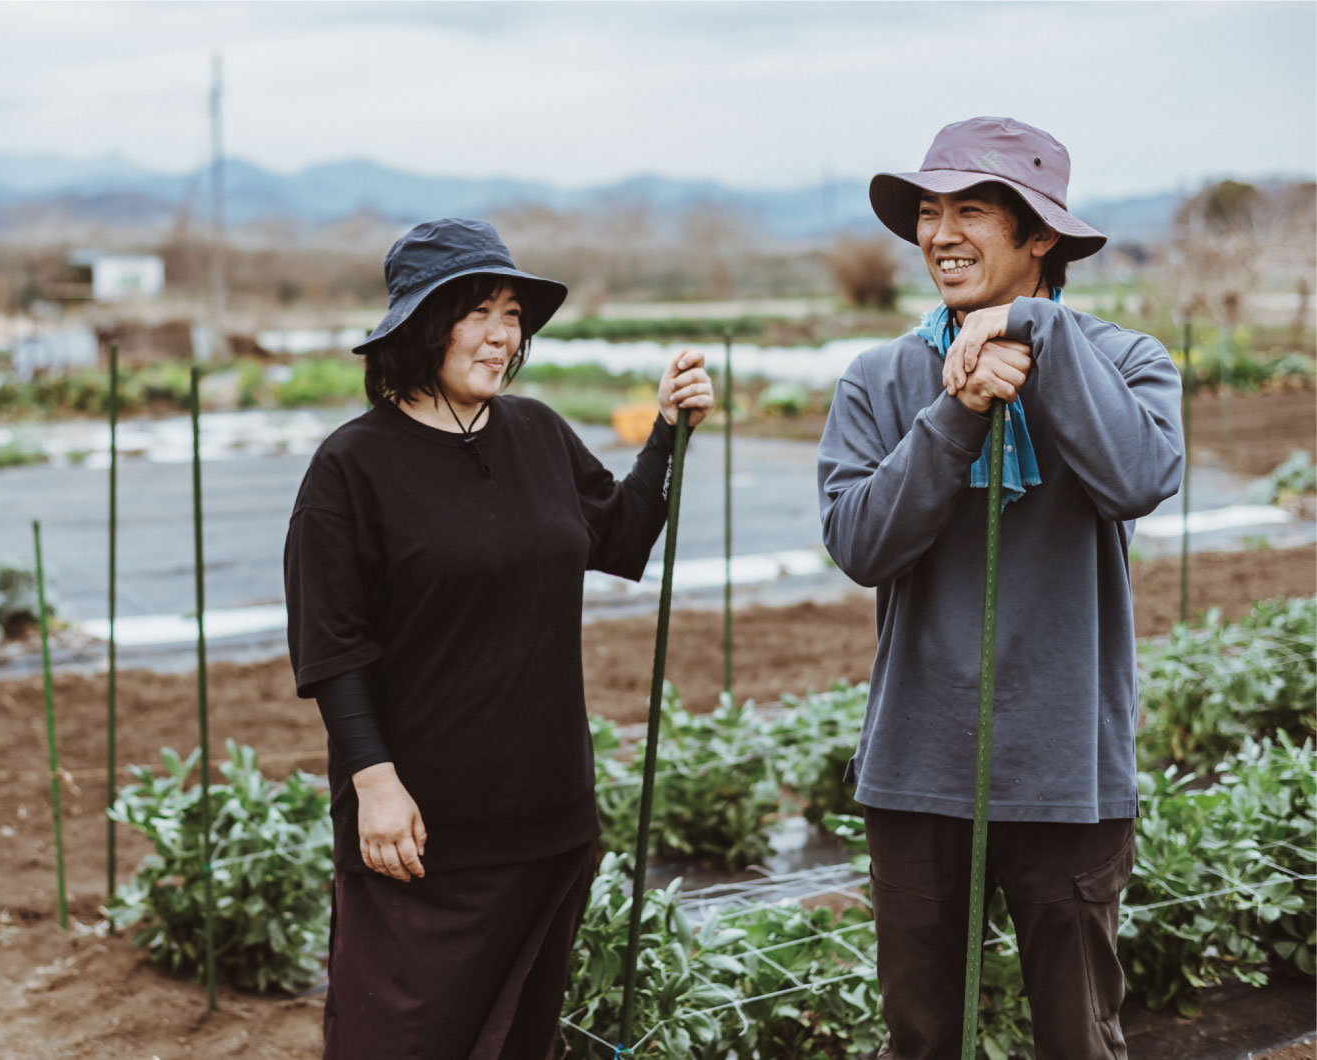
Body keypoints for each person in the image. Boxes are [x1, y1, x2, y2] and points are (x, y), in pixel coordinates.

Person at [283, 216, 713, 1060]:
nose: (500, 333)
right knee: (399, 1039)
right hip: (418, 834)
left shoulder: (537, 433)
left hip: (547, 817)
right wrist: (375, 784)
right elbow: (332, 645)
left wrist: (667, 432)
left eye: (512, 313)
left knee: (522, 1038)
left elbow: (620, 537)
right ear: (419, 325)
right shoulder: (352, 467)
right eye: (476, 310)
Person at [816, 117, 1184, 1059]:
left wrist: (1039, 331)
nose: (939, 233)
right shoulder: (881, 379)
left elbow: (1136, 477)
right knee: (923, 1038)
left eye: (972, 209)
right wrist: (958, 410)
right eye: (929, 211)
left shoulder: (1130, 362)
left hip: (1066, 772)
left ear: (1041, 236)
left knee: (1077, 1038)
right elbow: (860, 543)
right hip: (917, 769)